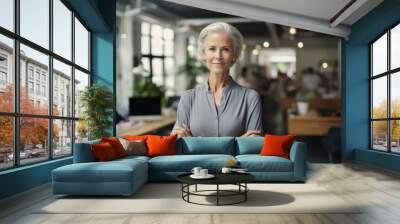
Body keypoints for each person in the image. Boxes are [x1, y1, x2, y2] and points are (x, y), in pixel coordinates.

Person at [171, 22, 263, 137]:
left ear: (234, 55)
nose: (218, 56)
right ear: (204, 54)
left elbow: (253, 146)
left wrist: (192, 141)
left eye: (225, 49)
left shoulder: (250, 98)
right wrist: (239, 141)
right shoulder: (188, 98)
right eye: (212, 49)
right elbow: (177, 143)